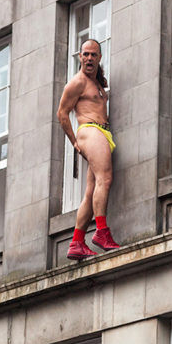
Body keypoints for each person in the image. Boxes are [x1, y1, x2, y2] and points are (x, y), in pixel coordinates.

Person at [57, 39, 121, 260]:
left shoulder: (97, 83)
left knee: (91, 190)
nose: (89, 58)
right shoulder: (77, 83)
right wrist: (74, 141)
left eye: (93, 54)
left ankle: (76, 242)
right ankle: (102, 233)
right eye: (85, 54)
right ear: (80, 57)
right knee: (106, 179)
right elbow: (62, 113)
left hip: (101, 133)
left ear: (99, 57)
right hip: (90, 131)